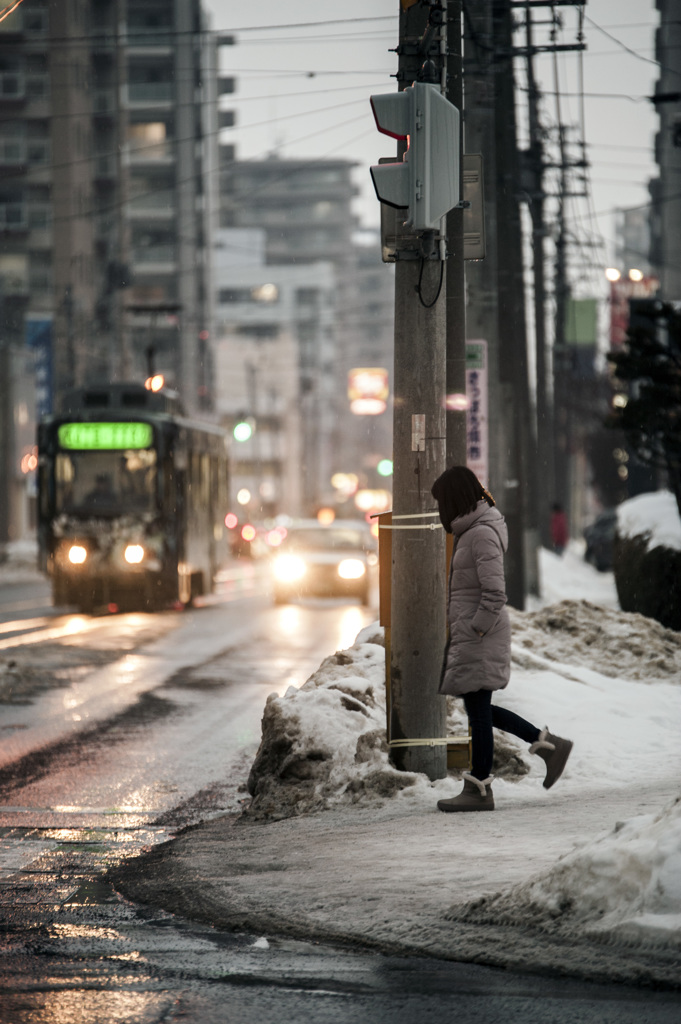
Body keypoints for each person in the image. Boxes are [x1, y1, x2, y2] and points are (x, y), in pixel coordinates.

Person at [431, 465, 573, 812]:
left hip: (480, 634)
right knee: (478, 708)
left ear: (455, 500)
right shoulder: (473, 531)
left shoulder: (480, 534)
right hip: (474, 633)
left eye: (442, 503)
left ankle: (480, 789)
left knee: (478, 711)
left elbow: (495, 593)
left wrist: (475, 628)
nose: (440, 511)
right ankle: (547, 746)